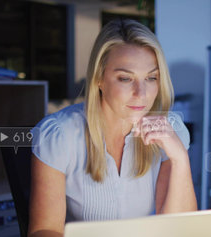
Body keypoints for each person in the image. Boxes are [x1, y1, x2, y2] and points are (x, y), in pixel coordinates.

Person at [28, 19, 197, 237]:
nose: (141, 93)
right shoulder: (59, 135)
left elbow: (179, 230)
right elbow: (44, 230)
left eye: (151, 77)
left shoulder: (169, 130)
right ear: (99, 79)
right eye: (126, 78)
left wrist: (180, 158)